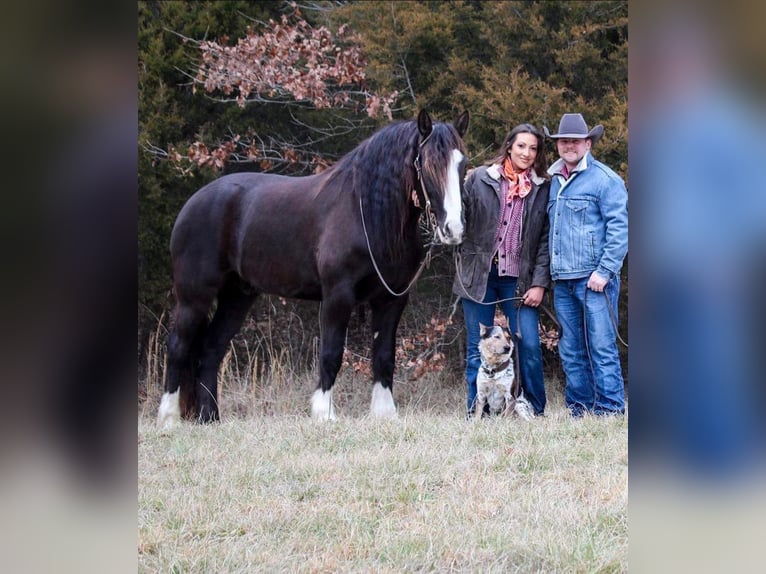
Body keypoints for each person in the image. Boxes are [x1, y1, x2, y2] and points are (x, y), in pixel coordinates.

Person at [454, 123, 551, 419]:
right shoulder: (481, 178)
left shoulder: (542, 187)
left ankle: (532, 407)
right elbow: (460, 220)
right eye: (521, 146)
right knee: (477, 345)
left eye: (533, 148)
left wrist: (539, 283)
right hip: (480, 276)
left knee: (529, 345)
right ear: (509, 146)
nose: (527, 153)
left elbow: (545, 240)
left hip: (519, 280)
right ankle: (477, 411)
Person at [544, 113, 628, 416]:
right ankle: (579, 409)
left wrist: (604, 272)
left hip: (595, 282)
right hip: (563, 281)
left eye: (575, 141)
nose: (569, 146)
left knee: (602, 348)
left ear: (588, 143)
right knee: (571, 351)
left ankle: (610, 409)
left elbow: (620, 230)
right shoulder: (554, 181)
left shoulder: (606, 180)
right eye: (563, 141)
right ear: (557, 145)